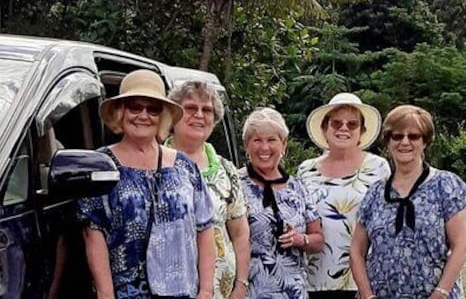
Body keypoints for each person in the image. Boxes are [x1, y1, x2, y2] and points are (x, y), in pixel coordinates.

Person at [77, 69, 216, 299]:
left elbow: (205, 228)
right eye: (135, 107)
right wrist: (105, 295)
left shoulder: (184, 166)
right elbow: (93, 233)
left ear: (162, 116)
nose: (143, 115)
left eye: (152, 109)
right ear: (121, 112)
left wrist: (206, 291)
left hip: (182, 293)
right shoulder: (101, 165)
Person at [350, 105, 466, 299]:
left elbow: (461, 246)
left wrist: (440, 293)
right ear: (388, 142)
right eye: (397, 136)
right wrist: (367, 295)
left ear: (425, 141)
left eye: (413, 136)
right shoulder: (374, 193)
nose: (405, 142)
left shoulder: (446, 185)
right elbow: (357, 250)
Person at [297, 93, 390, 299]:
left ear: (362, 131)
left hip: (364, 282)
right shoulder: (306, 170)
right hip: (315, 279)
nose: (344, 128)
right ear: (325, 128)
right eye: (336, 123)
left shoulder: (378, 168)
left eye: (352, 124)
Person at [166, 81, 251, 299]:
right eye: (190, 108)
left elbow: (240, 233)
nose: (199, 115)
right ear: (173, 114)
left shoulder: (226, 170)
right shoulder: (154, 163)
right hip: (167, 288)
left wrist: (241, 285)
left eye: (207, 110)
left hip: (219, 291)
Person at [239, 107, 324, 298]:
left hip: (293, 291)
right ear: (246, 145)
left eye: (271, 140)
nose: (264, 148)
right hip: (250, 292)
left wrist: (301, 240)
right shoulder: (234, 185)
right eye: (257, 140)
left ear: (283, 144)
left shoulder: (297, 188)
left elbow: (318, 239)